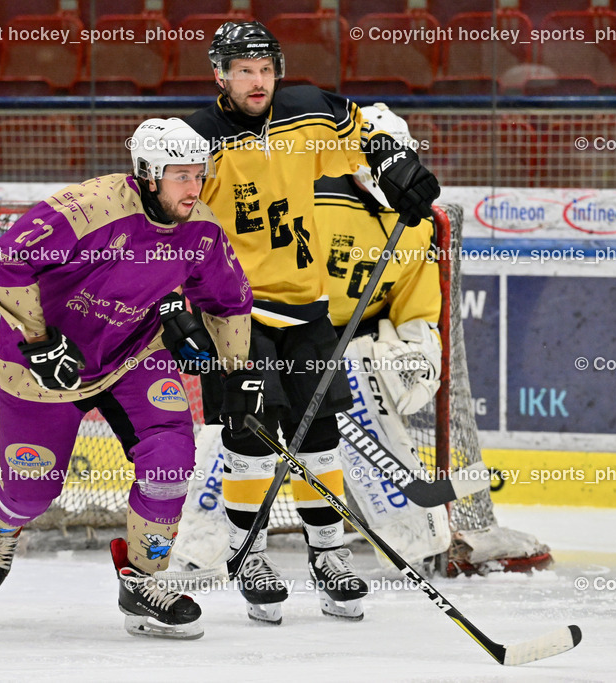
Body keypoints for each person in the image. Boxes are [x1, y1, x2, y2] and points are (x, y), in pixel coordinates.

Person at [183, 21, 440, 623]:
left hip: (308, 308)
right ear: (219, 74)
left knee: (318, 436)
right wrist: (177, 305)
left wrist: (396, 164)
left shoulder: (307, 111)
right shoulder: (196, 138)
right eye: (243, 70)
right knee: (250, 439)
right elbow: (170, 221)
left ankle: (327, 557)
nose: (257, 81)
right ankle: (248, 556)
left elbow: (367, 131)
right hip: (235, 313)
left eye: (266, 69)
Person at [0, 117, 258, 640]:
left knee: (170, 457)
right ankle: (1, 526)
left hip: (132, 354)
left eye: (200, 174)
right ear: (147, 175)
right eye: (180, 176)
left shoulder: (202, 230)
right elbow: (6, 262)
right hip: (42, 365)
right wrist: (38, 339)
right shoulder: (87, 210)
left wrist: (236, 375)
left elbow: (230, 300)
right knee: (31, 494)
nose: (194, 188)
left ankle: (144, 582)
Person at [315, 103, 451, 569]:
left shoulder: (418, 224)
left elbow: (415, 304)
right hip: (284, 335)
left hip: (354, 348)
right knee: (240, 441)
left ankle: (409, 542)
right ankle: (204, 547)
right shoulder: (311, 200)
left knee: (368, 395)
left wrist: (416, 353)